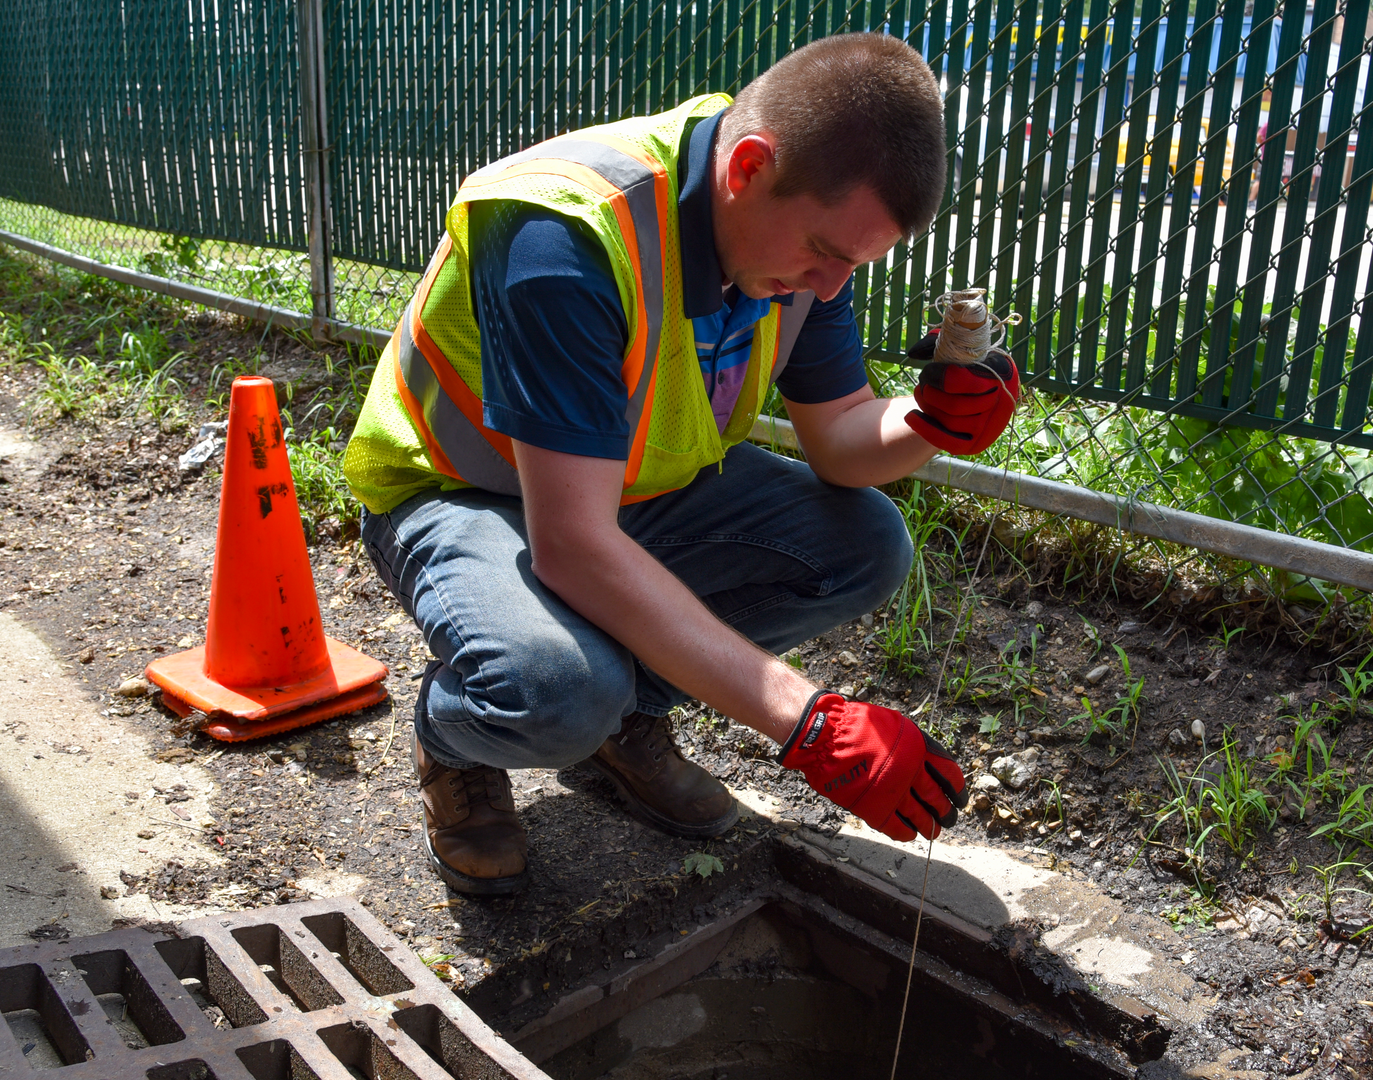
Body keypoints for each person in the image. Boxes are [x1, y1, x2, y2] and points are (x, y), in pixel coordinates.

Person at [341, 32, 1020, 895]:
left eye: (852, 265)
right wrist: (804, 721)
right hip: (463, 490)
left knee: (865, 543)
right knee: (552, 691)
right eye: (824, 254)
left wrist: (931, 419)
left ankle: (630, 723)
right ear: (745, 169)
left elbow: (845, 439)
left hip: (620, 493)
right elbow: (575, 546)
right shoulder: (565, 231)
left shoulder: (795, 244)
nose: (827, 287)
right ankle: (455, 740)